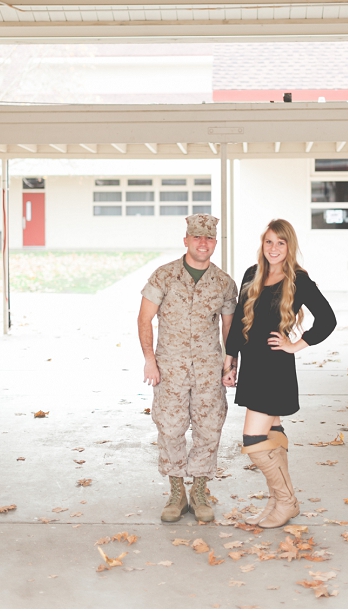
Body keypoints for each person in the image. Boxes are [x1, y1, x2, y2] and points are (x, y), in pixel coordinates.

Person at [224, 219, 336, 529]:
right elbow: (238, 323)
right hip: (252, 366)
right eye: (269, 242)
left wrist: (295, 345)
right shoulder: (252, 274)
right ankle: (278, 501)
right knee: (272, 432)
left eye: (280, 243)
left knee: (253, 437)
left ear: (289, 247)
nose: (274, 248)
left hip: (274, 369)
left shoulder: (298, 280)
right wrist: (230, 358)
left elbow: (327, 319)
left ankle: (286, 501)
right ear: (263, 244)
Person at [138, 214, 238, 523]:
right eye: (197, 237)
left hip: (209, 368)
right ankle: (177, 491)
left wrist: (230, 362)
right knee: (170, 428)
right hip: (170, 367)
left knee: (209, 429)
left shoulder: (223, 283)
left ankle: (200, 490)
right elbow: (144, 320)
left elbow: (229, 326)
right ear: (186, 240)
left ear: (215, 244)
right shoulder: (164, 276)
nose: (203, 243)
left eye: (208, 238)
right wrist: (150, 360)